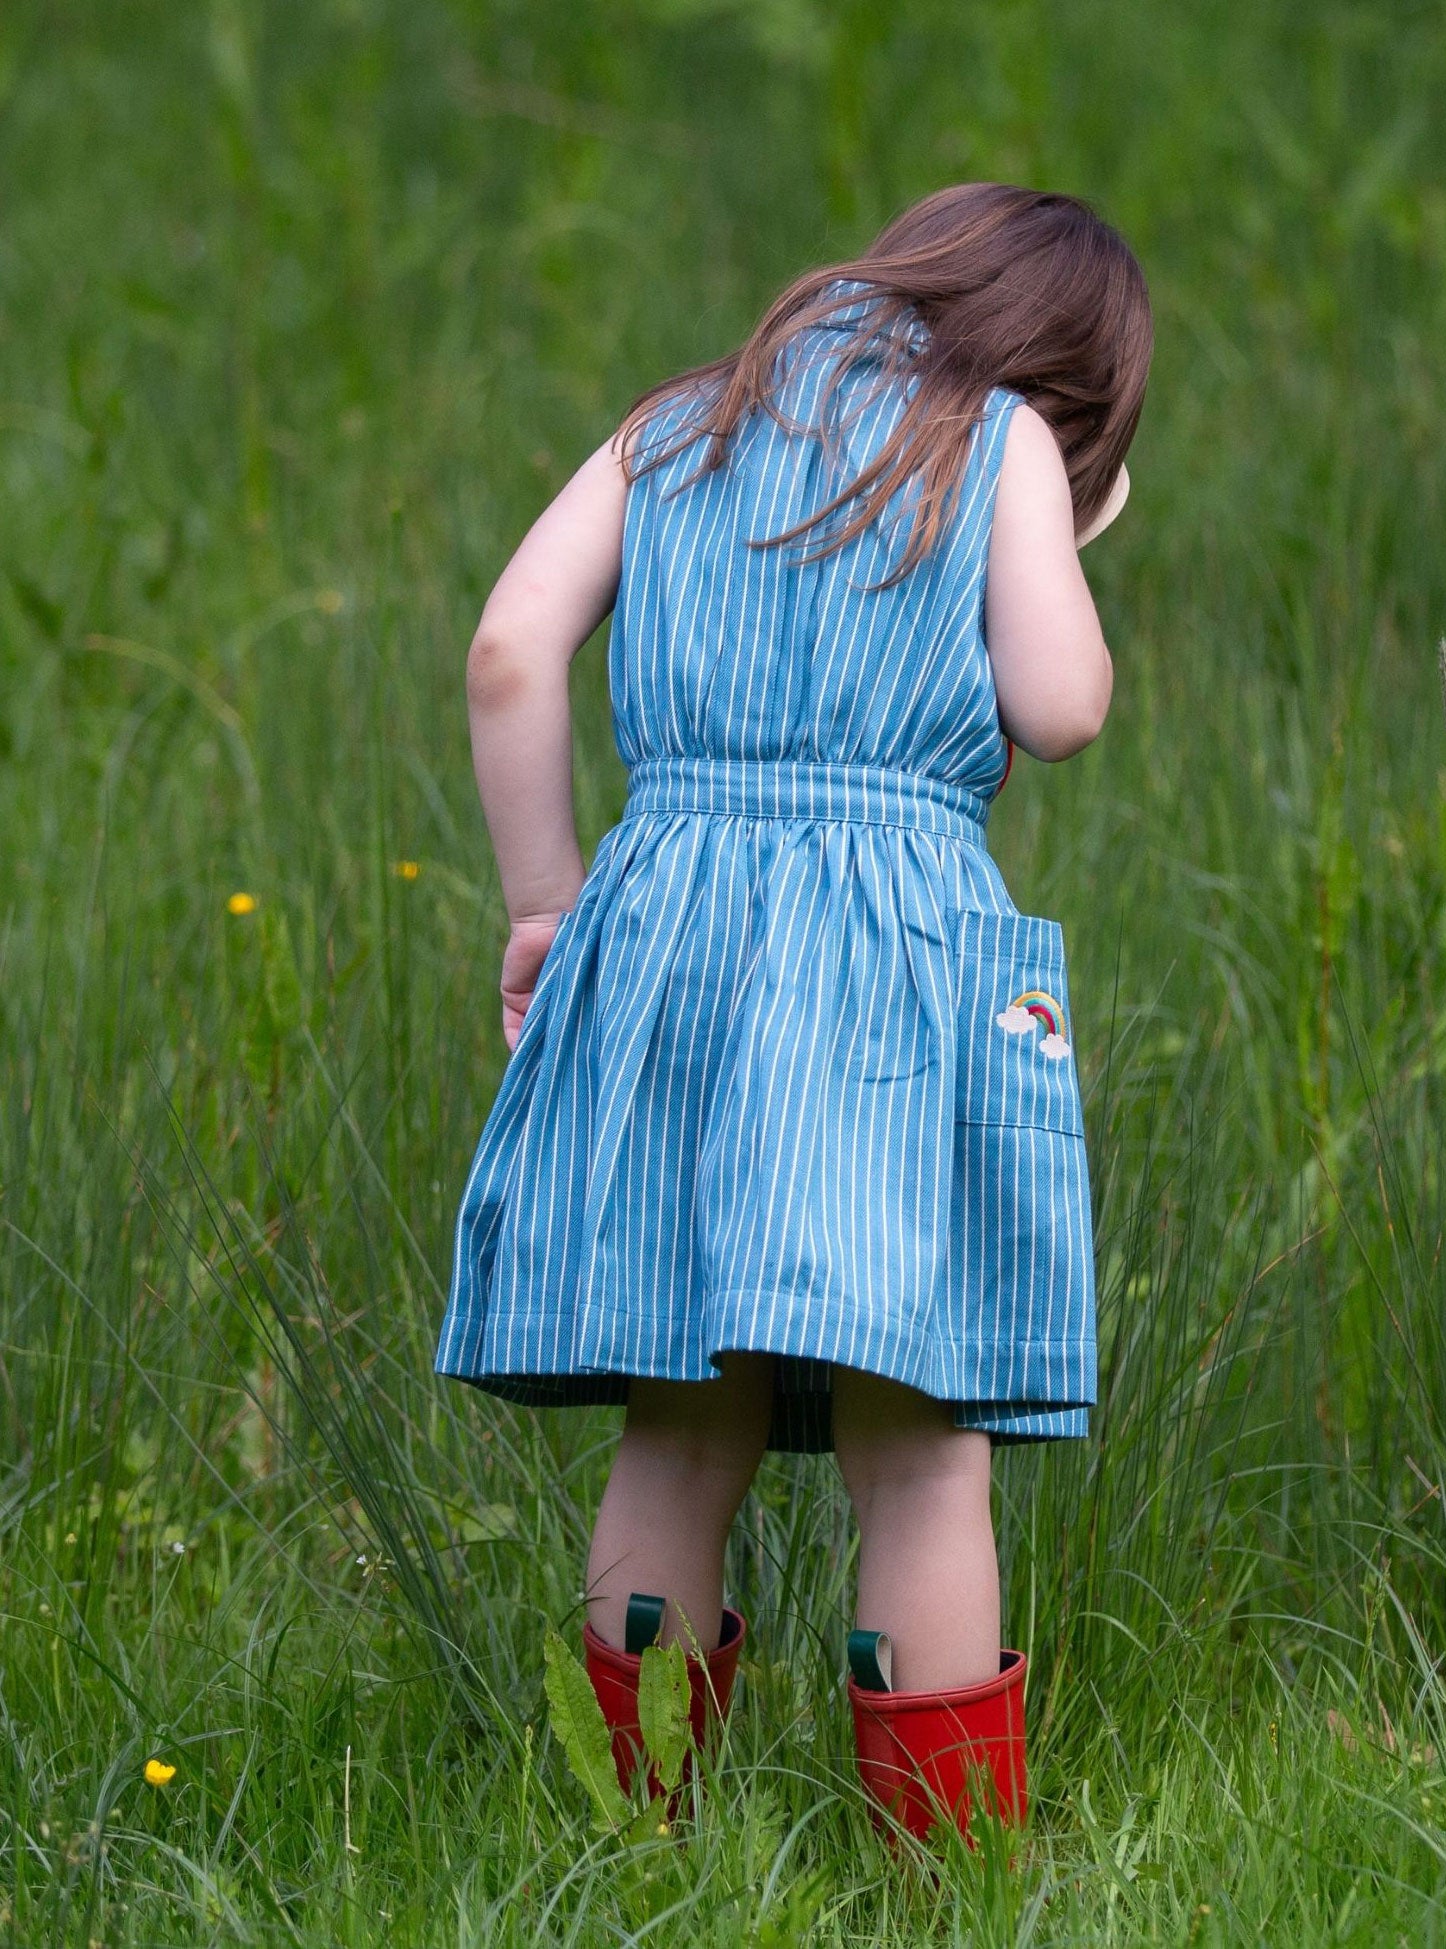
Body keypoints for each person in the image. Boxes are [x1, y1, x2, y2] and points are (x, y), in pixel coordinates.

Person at [434, 181, 1151, 1846]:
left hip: (670, 931)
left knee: (684, 1423)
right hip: (901, 962)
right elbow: (1063, 708)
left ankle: (630, 1835)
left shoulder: (682, 420)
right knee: (921, 1445)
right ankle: (947, 1867)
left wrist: (548, 902)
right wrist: (1066, 525)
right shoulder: (1002, 442)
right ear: (1065, 376)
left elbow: (506, 650)